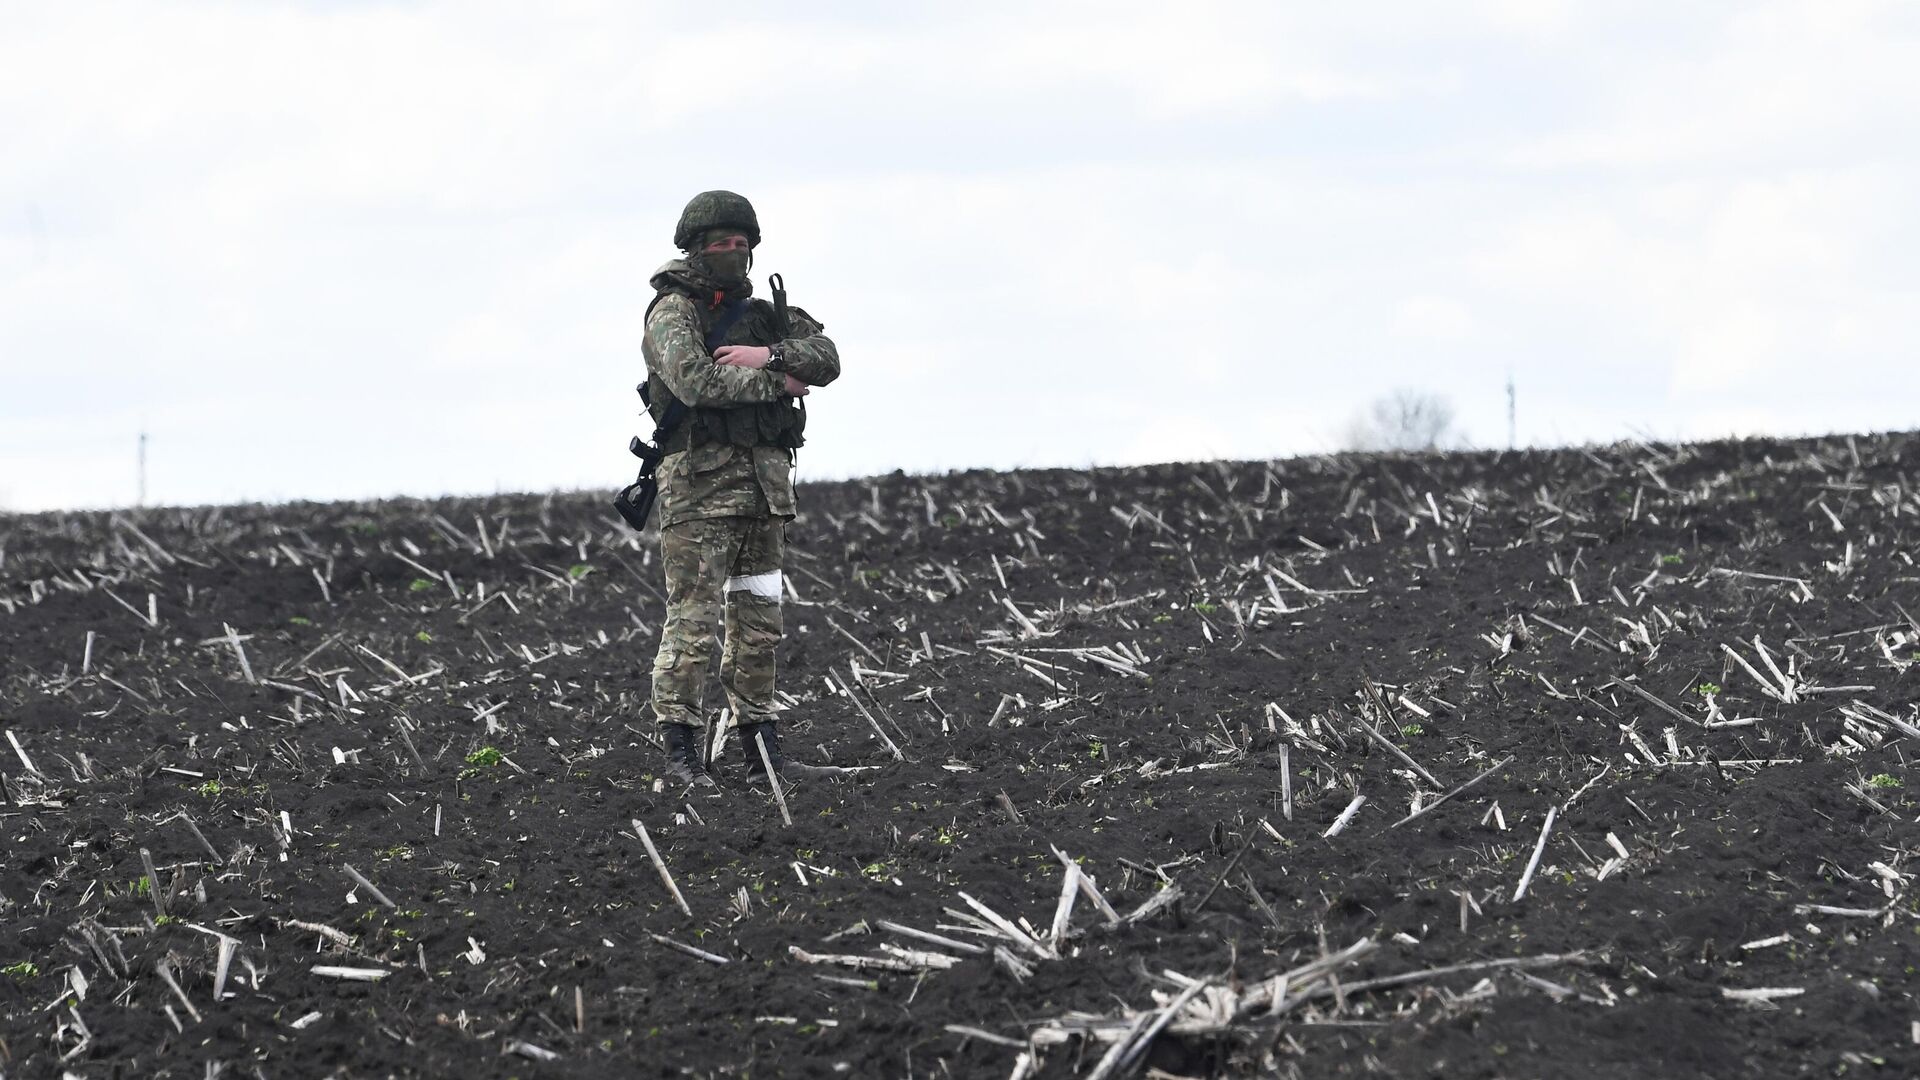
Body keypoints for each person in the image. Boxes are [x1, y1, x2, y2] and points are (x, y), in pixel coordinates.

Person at [641, 190, 839, 787]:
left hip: (763, 496)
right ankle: (679, 754)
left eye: (743, 243)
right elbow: (695, 381)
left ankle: (761, 756)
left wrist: (767, 354)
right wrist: (778, 383)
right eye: (723, 243)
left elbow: (826, 359)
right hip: (699, 494)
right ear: (697, 249)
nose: (735, 252)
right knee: (693, 623)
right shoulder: (672, 312)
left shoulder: (767, 314)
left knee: (758, 625)